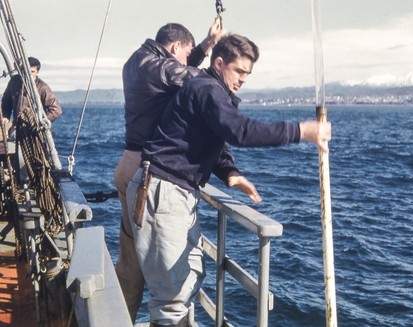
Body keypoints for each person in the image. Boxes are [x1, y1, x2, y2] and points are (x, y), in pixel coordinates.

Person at [126, 34, 331, 326]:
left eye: (248, 73)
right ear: (219, 63)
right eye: (239, 71)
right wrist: (301, 131)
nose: (244, 79)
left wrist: (230, 173)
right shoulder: (208, 89)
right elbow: (240, 131)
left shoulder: (210, 91)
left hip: (175, 193)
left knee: (189, 276)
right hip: (163, 192)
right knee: (172, 297)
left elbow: (218, 138)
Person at [114, 18, 228, 322]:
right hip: (145, 173)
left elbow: (178, 65)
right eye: (184, 53)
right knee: (147, 273)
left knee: (132, 264)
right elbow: (185, 76)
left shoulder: (138, 61)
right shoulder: (153, 66)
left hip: (130, 165)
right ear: (175, 46)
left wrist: (207, 44)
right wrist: (222, 71)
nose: (184, 60)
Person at [1, 56, 62, 125]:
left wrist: (39, 122)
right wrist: (6, 117)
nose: (28, 75)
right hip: (17, 127)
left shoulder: (42, 87)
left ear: (37, 72)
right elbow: (6, 101)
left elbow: (56, 110)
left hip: (34, 129)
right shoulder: (14, 82)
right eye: (26, 71)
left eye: (32, 72)